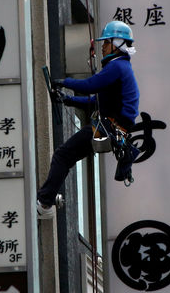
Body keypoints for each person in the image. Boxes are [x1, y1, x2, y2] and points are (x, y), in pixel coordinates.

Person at [37, 20, 140, 219]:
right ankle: (46, 201)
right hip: (113, 127)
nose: (103, 47)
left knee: (62, 155)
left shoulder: (117, 67)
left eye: (106, 43)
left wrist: (63, 81)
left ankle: (45, 203)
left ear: (118, 43)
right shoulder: (121, 68)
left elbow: (91, 85)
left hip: (109, 127)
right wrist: (67, 99)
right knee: (66, 156)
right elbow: (96, 100)